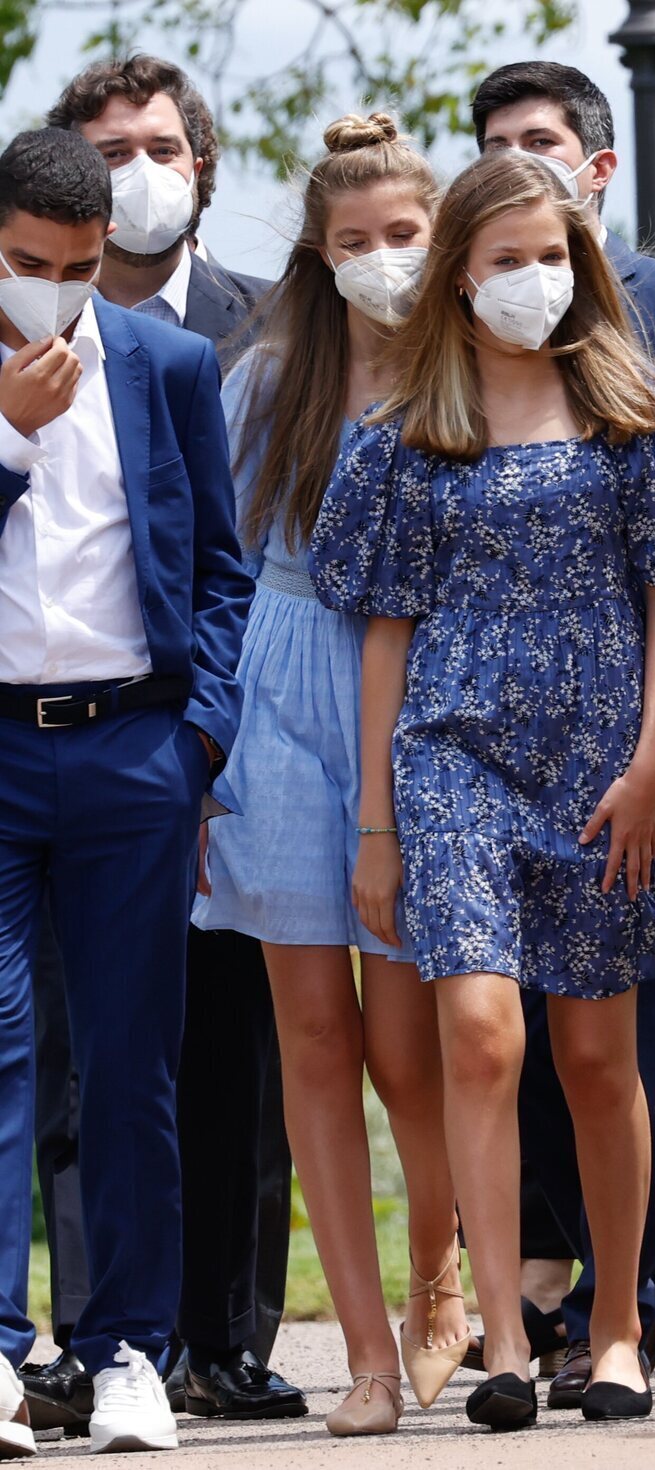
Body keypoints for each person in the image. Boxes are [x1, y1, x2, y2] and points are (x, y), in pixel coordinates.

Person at [310, 147, 655, 1430]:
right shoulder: (406, 440)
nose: (532, 279)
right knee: (481, 1035)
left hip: (602, 773)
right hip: (449, 762)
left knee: (598, 1053)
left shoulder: (632, 415)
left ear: (582, 263)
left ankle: (613, 1326)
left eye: (550, 256)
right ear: (456, 277)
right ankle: (502, 1339)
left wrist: (648, 767)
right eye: (504, 260)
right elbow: (382, 631)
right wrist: (377, 827)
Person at [467, 60, 655, 1400]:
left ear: (596, 163)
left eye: (541, 140)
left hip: (646, 742)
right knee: (521, 1030)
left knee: (622, 1033)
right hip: (496, 755)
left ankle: (621, 1287)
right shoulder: (464, 334)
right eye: (494, 145)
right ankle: (590, 1263)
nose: (519, 156)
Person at [21, 55, 301, 1434]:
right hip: (16, 749)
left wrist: (200, 739)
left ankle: (176, 1342)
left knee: (169, 1059)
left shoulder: (211, 347)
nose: (56, 285)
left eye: (154, 147)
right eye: (26, 259)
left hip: (159, 748)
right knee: (25, 1048)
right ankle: (37, 1343)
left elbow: (227, 565)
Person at [195, 112, 472, 1438]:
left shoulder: (474, 373)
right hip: (280, 690)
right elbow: (221, 564)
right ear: (318, 246)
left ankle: (438, 1283)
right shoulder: (265, 381)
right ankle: (363, 1350)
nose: (377, 258)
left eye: (402, 235)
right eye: (351, 239)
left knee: (410, 1049)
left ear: (440, 236)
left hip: (424, 704)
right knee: (312, 1038)